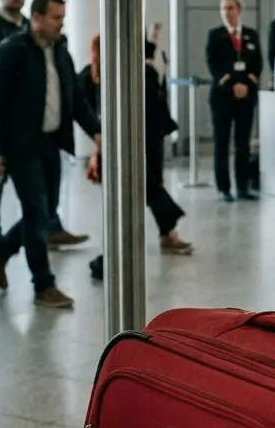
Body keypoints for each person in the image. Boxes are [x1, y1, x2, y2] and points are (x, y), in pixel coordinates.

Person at [0, 0, 101, 309]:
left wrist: (97, 131)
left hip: (50, 143)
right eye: (55, 17)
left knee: (44, 214)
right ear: (36, 17)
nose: (61, 23)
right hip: (21, 147)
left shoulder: (60, 51)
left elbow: (74, 97)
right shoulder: (9, 52)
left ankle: (2, 250)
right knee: (36, 213)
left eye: (62, 17)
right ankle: (43, 285)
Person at [78, 31, 193, 260]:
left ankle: (162, 235)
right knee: (148, 187)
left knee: (140, 189)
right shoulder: (140, 72)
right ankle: (163, 233)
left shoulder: (91, 74)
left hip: (125, 141)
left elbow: (85, 106)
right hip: (144, 141)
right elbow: (157, 104)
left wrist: (98, 132)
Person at [206, 0, 263, 202]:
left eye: (230, 8)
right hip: (222, 97)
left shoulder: (251, 35)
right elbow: (214, 65)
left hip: (246, 98)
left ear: (239, 10)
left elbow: (257, 64)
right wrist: (233, 85)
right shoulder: (215, 35)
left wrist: (246, 85)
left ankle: (242, 187)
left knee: (243, 143)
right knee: (221, 142)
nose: (227, 12)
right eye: (224, 9)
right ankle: (223, 188)